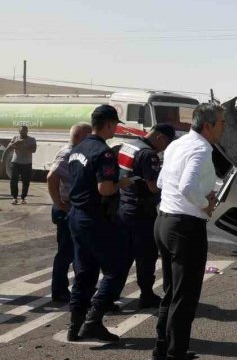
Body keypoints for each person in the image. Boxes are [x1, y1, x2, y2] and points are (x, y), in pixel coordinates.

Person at [153, 103, 224, 360]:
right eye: (221, 123)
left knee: (171, 292)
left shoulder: (176, 144)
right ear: (207, 126)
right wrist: (205, 203)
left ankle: (165, 348)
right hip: (185, 226)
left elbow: (162, 182)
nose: (224, 128)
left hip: (165, 220)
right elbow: (186, 186)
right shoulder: (201, 148)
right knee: (185, 296)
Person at [66, 106, 134, 343]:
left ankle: (74, 327)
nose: (116, 128)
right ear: (107, 124)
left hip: (76, 215)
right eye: (115, 124)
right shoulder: (102, 152)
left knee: (84, 272)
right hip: (95, 218)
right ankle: (93, 321)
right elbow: (105, 188)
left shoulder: (79, 148)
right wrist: (121, 183)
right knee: (116, 269)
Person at [115, 124, 176, 308]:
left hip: (124, 207)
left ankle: (110, 295)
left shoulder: (129, 145)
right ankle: (147, 295)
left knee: (123, 256)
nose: (165, 148)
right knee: (146, 256)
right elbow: (153, 186)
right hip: (141, 211)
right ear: (160, 137)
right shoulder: (148, 154)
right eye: (166, 143)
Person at [46, 122, 92, 303]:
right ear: (81, 136)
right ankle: (59, 291)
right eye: (89, 136)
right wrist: (58, 202)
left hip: (73, 208)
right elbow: (51, 176)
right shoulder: (67, 153)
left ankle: (78, 288)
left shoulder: (78, 153)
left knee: (76, 251)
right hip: (65, 209)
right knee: (65, 253)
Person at [9, 125, 37, 204]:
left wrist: (24, 145)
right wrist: (16, 143)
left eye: (24, 131)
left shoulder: (32, 139)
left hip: (27, 163)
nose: (22, 133)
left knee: (26, 181)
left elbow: (34, 150)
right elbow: (9, 147)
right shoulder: (15, 138)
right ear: (19, 131)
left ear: (27, 131)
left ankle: (23, 198)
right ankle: (14, 198)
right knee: (13, 180)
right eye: (21, 131)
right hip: (15, 162)